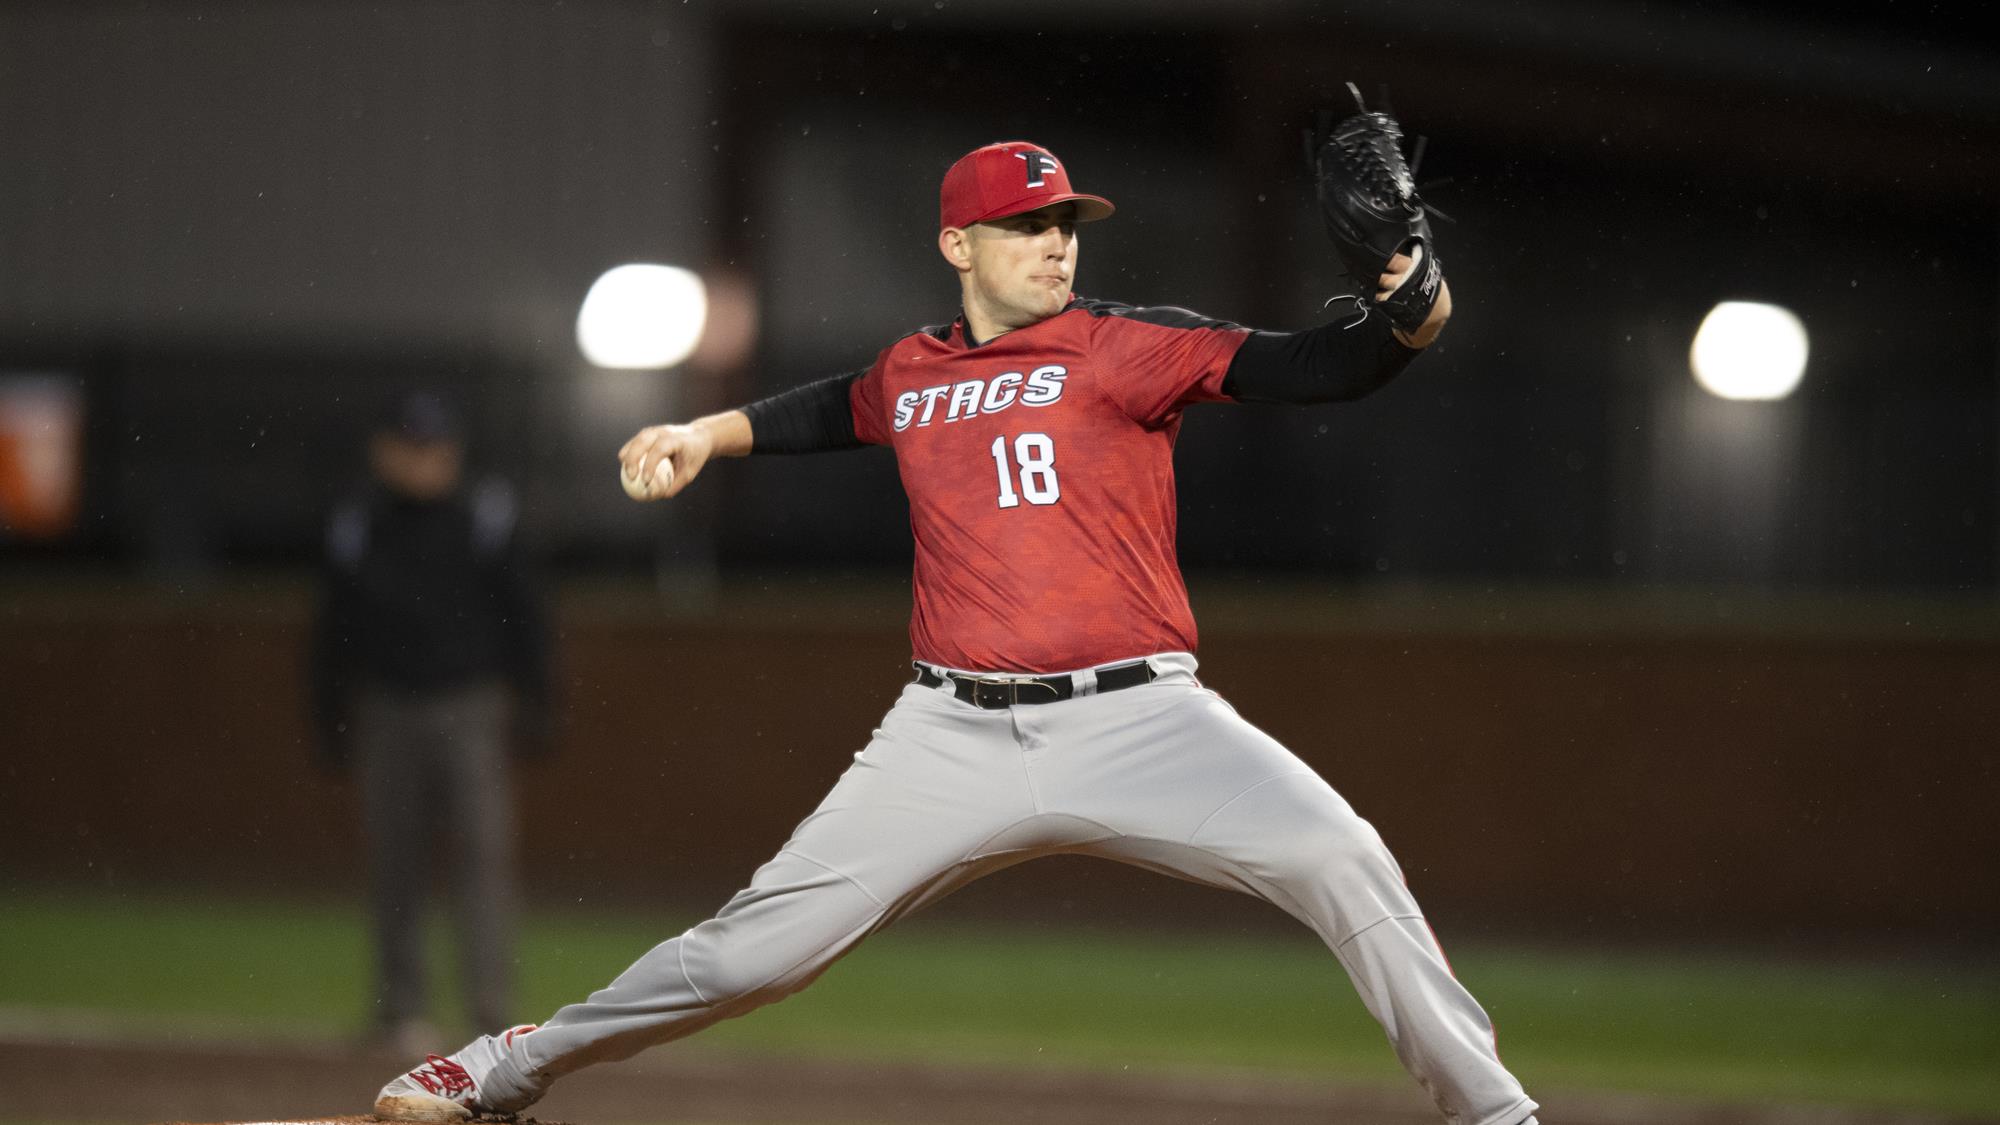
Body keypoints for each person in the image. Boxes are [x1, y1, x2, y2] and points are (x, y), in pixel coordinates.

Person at [373, 141, 1538, 1125]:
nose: (1055, 244)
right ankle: (500, 1070)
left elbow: (1326, 367)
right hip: (948, 735)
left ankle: (1493, 1112)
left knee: (1339, 855)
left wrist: (1409, 298)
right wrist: (704, 432)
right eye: (1025, 225)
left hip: (1143, 719)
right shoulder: (911, 371)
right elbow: (832, 408)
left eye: (1063, 224)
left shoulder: (1128, 344)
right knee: (747, 956)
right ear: (957, 245)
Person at [312, 391, 554, 1055]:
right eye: (413, 447)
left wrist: (538, 701)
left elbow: (527, 614)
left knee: (483, 856)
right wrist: (328, 713)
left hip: (470, 707)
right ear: (383, 451)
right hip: (386, 707)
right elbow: (332, 628)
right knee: (395, 860)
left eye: (438, 447)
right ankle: (400, 1010)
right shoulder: (358, 523)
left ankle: (490, 1014)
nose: (427, 461)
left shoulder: (485, 516)